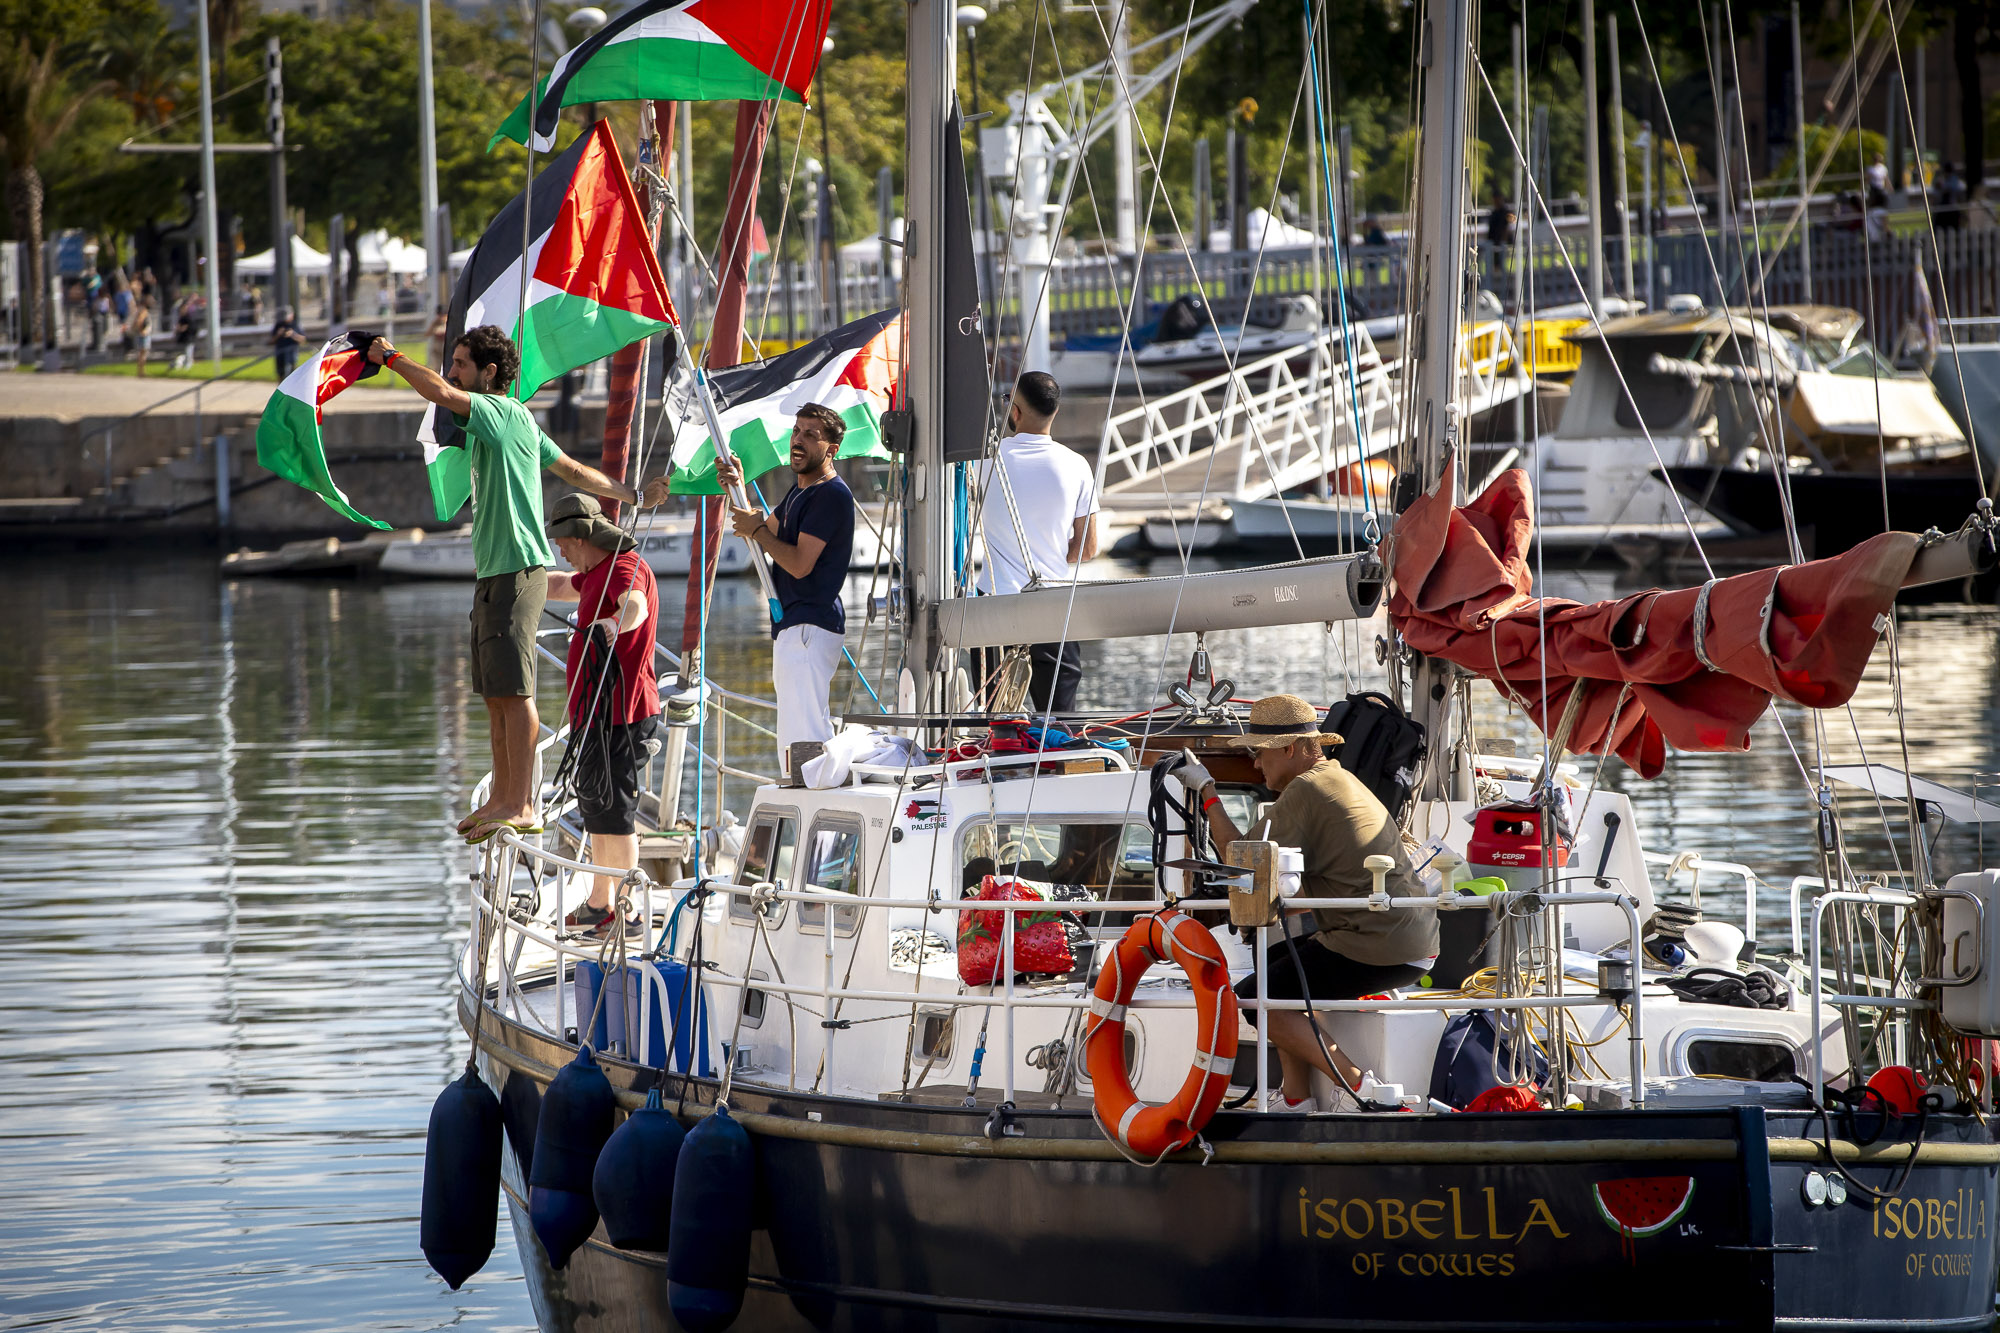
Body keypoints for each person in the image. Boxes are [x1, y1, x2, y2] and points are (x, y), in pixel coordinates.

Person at [364, 324, 674, 840]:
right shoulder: (509, 425)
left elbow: (440, 394)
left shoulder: (502, 411)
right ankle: (502, 796)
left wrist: (390, 357)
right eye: (454, 363)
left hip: (516, 571)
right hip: (492, 573)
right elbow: (574, 470)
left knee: (516, 690)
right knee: (493, 693)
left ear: (489, 373)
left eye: (462, 364)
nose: (453, 373)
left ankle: (521, 801)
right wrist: (634, 494)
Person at [1173, 694, 1438, 1111]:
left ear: (1289, 749)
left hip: (1379, 946)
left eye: (1260, 754)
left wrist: (1207, 789)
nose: (1257, 765)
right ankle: (1296, 1098)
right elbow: (1334, 884)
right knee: (1277, 960)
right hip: (1409, 938)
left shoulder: (1307, 790)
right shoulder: (1340, 779)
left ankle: (1362, 1087)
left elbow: (1240, 855)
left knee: (1257, 998)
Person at [545, 494, 661, 936]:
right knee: (595, 803)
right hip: (595, 714)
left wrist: (613, 624)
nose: (559, 549)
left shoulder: (624, 567)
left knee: (617, 809)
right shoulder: (592, 574)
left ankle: (627, 910)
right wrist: (518, 584)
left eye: (562, 541)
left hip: (624, 713)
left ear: (580, 537)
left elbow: (636, 606)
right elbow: (558, 585)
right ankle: (599, 903)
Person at [716, 403, 855, 774]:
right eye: (797, 431)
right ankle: (807, 807)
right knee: (795, 738)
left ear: (831, 449)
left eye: (811, 435)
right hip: (795, 625)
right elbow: (764, 530)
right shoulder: (799, 491)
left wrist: (757, 530)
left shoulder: (831, 495)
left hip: (811, 624)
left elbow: (796, 563)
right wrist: (739, 485)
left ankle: (818, 810)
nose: (799, 440)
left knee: (806, 736)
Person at [972, 371, 1099, 713]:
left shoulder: (982, 462)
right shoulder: (1076, 465)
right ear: (1053, 411)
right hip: (1053, 605)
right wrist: (1054, 555)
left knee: (995, 723)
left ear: (1015, 412)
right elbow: (1087, 549)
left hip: (994, 604)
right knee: (1058, 721)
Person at [271, 307, 305, 380]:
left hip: (292, 351)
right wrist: (278, 334)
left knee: (292, 371)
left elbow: (303, 339)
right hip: (280, 352)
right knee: (281, 372)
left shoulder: (295, 324)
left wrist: (293, 334)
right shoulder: (279, 325)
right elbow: (271, 341)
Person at [128, 296, 153, 376]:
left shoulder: (138, 314)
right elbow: (149, 325)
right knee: (143, 354)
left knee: (141, 354)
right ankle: (141, 370)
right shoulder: (144, 314)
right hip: (144, 335)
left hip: (139, 334)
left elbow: (134, 326)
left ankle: (140, 370)